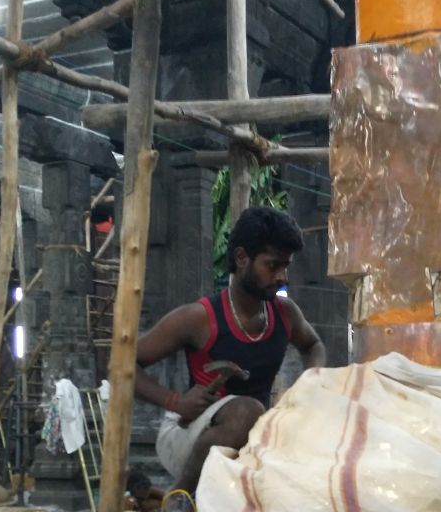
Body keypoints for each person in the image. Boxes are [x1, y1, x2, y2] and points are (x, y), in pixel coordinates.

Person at [134, 206, 326, 496]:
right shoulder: (199, 318)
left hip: (252, 435)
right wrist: (175, 401)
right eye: (272, 265)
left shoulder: (285, 313)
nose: (282, 276)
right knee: (247, 411)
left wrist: (308, 384)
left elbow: (314, 346)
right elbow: (123, 365)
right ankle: (180, 498)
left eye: (286, 266)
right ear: (241, 258)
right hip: (188, 433)